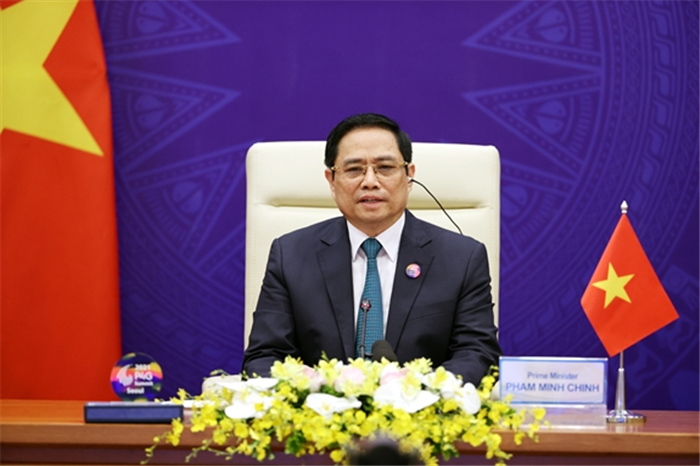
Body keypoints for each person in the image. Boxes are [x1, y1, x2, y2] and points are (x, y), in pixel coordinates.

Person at [242, 113, 501, 385]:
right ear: (331, 180)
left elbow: (479, 354)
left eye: (385, 167)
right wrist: (316, 386)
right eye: (354, 169)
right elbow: (263, 357)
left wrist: (420, 388)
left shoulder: (461, 258)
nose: (370, 181)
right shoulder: (291, 256)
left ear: (409, 175)